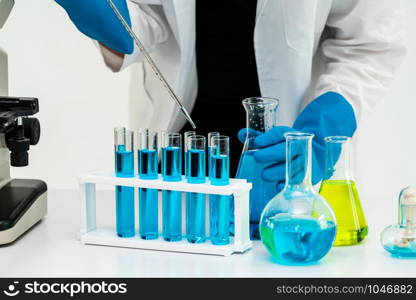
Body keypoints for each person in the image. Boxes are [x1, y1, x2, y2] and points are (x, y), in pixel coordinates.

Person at [56, 0, 405, 218]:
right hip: (177, 165)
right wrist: (104, 12)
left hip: (283, 162)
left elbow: (370, 44)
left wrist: (322, 126)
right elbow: (149, 18)